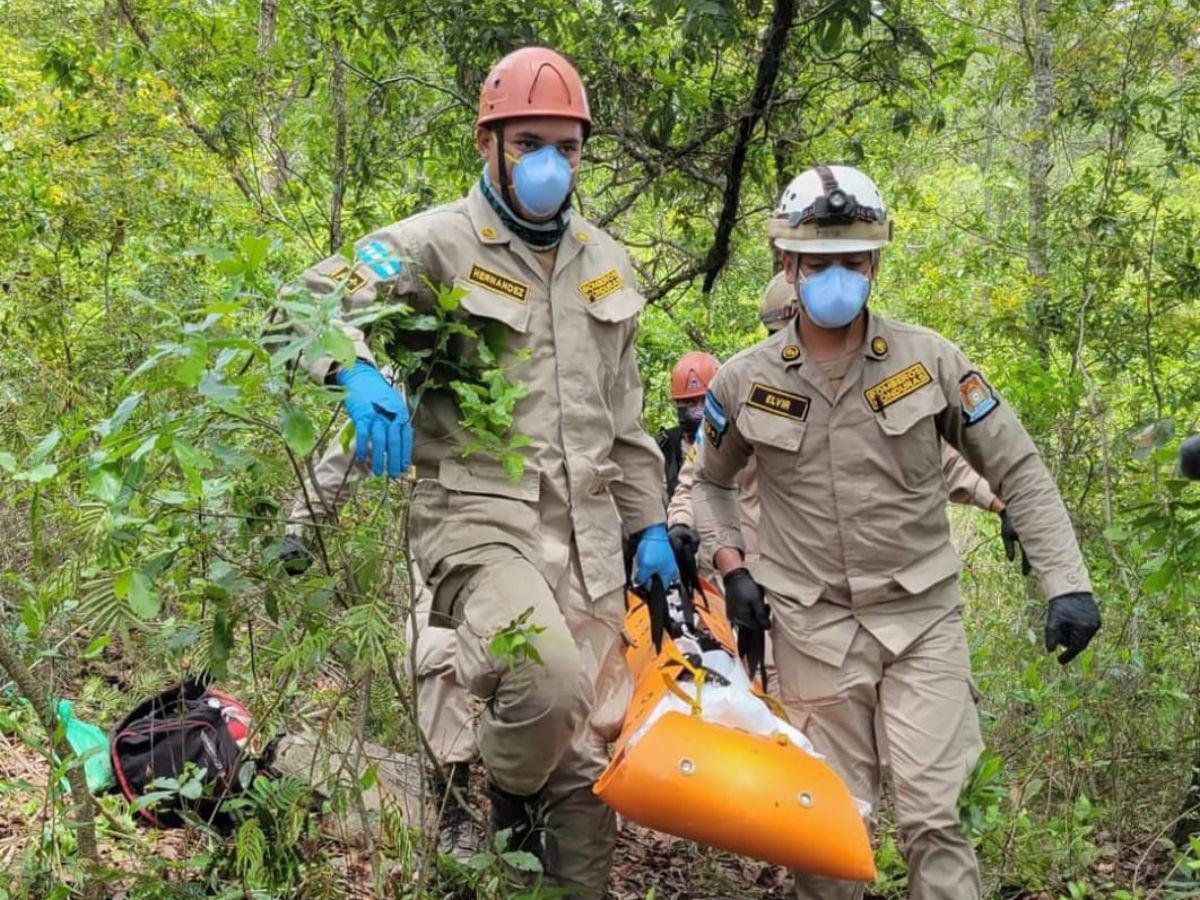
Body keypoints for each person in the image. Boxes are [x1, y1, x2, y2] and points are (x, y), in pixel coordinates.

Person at [282, 48, 676, 897]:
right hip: (480, 518)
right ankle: (487, 790)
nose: (550, 164)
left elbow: (628, 422)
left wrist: (651, 528)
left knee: (582, 767)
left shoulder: (606, 261)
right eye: (530, 141)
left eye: (567, 147)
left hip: (592, 541)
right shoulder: (433, 243)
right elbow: (305, 303)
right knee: (547, 680)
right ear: (486, 141)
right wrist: (351, 371)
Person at [693, 164, 1100, 899]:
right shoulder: (743, 381)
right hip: (813, 628)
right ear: (788, 263)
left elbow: (1020, 470)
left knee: (939, 815)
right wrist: (733, 568)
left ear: (876, 261)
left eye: (852, 259)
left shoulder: (931, 362)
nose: (836, 276)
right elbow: (712, 485)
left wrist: (1066, 582)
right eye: (818, 262)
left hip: (921, 621)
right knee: (826, 829)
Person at [667, 273, 1020, 585]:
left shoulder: (876, 388)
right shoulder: (743, 391)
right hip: (760, 570)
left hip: (853, 575)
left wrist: (1001, 503)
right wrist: (682, 525)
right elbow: (700, 479)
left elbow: (943, 459)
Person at [279, 419, 481, 860]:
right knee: (437, 652)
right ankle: (454, 804)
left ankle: (526, 807)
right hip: (441, 528)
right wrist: (303, 523)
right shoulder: (426, 357)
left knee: (536, 661)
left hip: (529, 523)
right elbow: (360, 436)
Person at [657, 351, 720, 500]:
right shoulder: (663, 448)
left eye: (704, 401)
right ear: (678, 403)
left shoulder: (736, 446)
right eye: (690, 402)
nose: (698, 411)